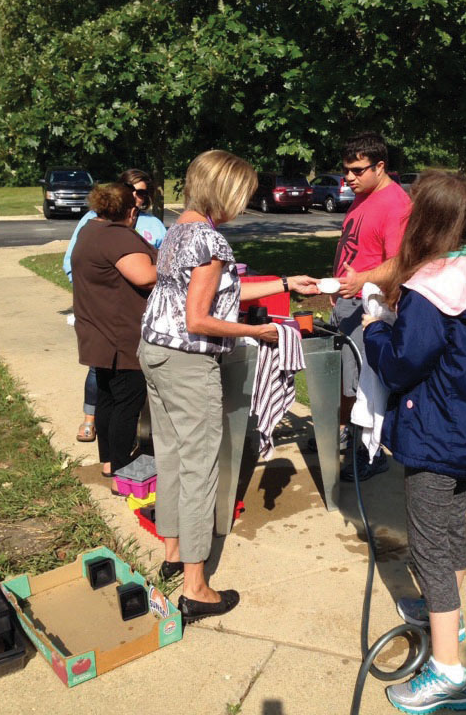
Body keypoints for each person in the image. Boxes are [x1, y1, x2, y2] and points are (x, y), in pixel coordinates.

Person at [139, 149, 318, 626]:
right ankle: (196, 588)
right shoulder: (212, 242)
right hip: (186, 362)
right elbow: (201, 318)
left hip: (154, 351)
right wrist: (257, 333)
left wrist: (283, 282)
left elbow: (217, 293)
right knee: (201, 467)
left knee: (174, 454)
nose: (245, 203)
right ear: (227, 191)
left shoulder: (179, 231)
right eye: (243, 194)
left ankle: (175, 551)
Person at [363, 171, 466, 713]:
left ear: (424, 219)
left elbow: (403, 363)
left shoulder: (430, 287)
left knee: (428, 543)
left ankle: (449, 671)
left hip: (436, 431)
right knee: (450, 525)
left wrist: (378, 325)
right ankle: (448, 612)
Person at [64, 169, 165, 444]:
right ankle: (122, 469)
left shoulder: (98, 228)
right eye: (132, 191)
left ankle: (111, 464)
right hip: (120, 327)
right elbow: (145, 276)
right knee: (126, 399)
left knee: (109, 395)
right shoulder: (114, 233)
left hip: (116, 322)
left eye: (142, 192)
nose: (137, 198)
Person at [331, 132, 411, 481]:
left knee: (364, 384)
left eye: (357, 170)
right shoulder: (362, 196)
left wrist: (359, 281)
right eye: (346, 169)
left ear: (381, 166)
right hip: (347, 300)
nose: (348, 177)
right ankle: (346, 436)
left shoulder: (396, 204)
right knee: (344, 379)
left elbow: (400, 263)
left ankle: (369, 453)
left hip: (371, 307)